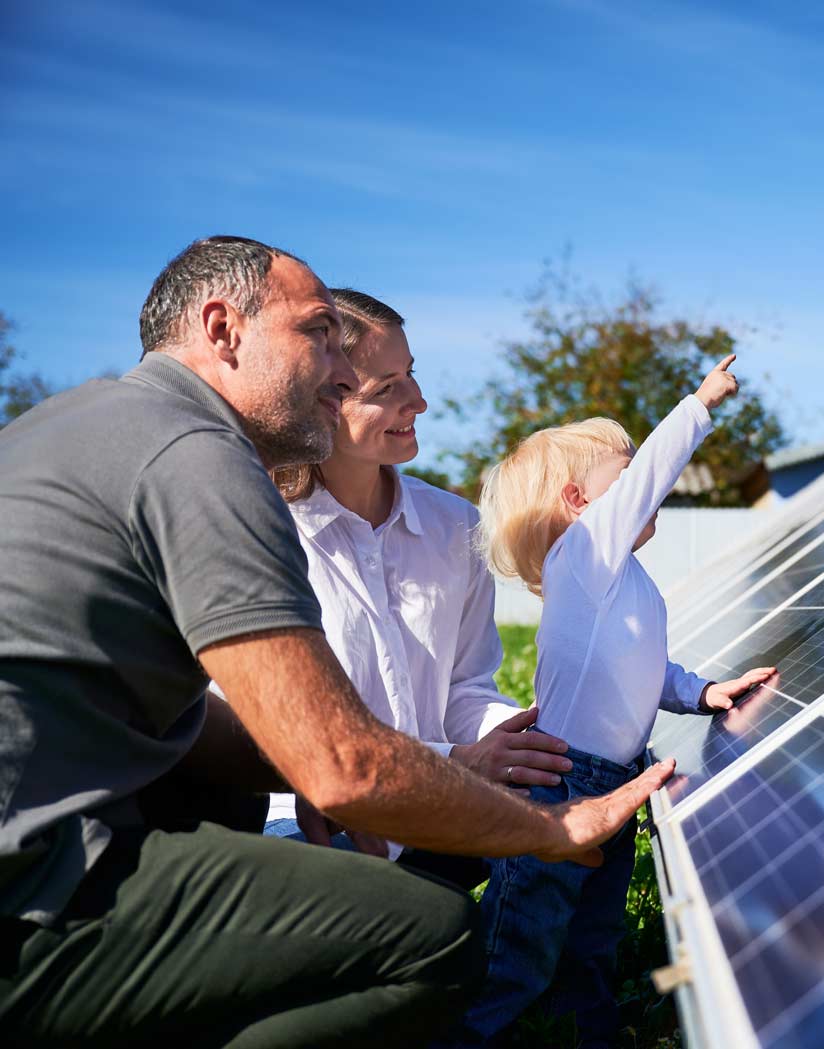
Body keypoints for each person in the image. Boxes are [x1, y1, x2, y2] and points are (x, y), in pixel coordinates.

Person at [0, 236, 673, 1047]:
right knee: (435, 937)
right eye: (317, 334)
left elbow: (202, 726)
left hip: (72, 823)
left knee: (248, 795)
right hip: (35, 888)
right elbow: (340, 764)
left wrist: (376, 769)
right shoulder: (200, 457)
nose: (336, 370)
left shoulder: (78, 424)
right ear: (223, 329)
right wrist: (552, 829)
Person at [456, 356, 775, 1046]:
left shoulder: (624, 579)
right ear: (578, 501)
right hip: (562, 784)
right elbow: (657, 470)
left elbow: (645, 668)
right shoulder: (586, 555)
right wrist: (699, 403)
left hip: (616, 780)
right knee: (522, 942)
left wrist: (702, 692)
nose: (642, 488)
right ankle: (469, 1036)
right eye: (625, 478)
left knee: (592, 932)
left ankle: (590, 1030)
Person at [263, 288, 573, 882]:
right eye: (387, 389)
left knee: (573, 802)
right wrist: (459, 763)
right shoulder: (268, 533)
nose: (420, 401)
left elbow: (464, 687)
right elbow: (274, 732)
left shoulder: (455, 527)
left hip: (436, 812)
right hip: (310, 822)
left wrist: (519, 739)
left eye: (411, 375)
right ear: (322, 402)